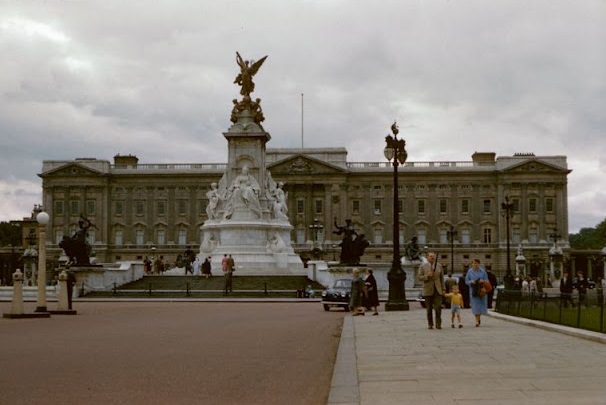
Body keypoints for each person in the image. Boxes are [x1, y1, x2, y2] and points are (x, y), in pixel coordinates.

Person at [417, 251, 445, 329]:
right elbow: (419, 277)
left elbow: (441, 278)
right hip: (428, 289)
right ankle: (430, 323)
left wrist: (443, 288)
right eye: (430, 256)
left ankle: (438, 324)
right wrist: (427, 276)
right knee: (429, 309)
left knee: (438, 307)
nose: (432, 258)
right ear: (427, 257)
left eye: (433, 256)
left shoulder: (439, 266)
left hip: (437, 289)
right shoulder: (423, 266)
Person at [465, 258, 488, 327]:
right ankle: (477, 321)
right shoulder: (469, 271)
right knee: (475, 305)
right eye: (474, 263)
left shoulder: (483, 271)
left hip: (481, 290)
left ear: (479, 264)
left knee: (480, 305)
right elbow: (466, 281)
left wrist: (483, 281)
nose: (475, 265)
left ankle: (478, 317)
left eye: (476, 263)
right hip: (473, 290)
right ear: (472, 264)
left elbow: (487, 280)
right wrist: (471, 282)